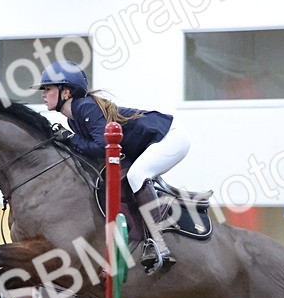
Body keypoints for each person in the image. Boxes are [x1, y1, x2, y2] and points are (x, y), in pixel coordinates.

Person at [36, 61, 189, 275]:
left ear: (66, 92)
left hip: (171, 137)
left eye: (48, 88)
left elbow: (102, 146)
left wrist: (71, 139)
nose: (43, 94)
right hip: (152, 143)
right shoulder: (74, 120)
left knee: (137, 175)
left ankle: (160, 244)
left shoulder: (85, 107)